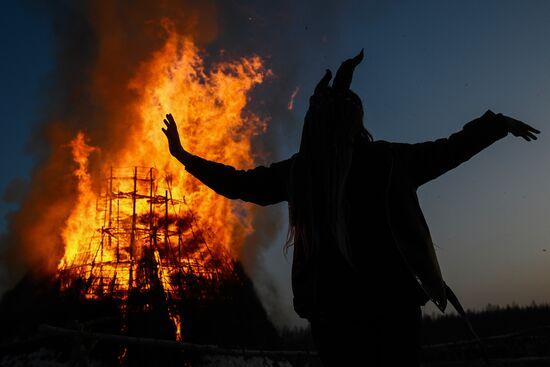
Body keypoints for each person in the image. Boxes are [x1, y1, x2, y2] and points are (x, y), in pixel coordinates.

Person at [161, 50, 540, 366]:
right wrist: (496, 125)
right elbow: (450, 149)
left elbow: (239, 183)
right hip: (388, 315)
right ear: (357, 122)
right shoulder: (384, 162)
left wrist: (184, 157)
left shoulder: (306, 172)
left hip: (339, 319)